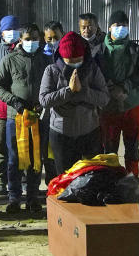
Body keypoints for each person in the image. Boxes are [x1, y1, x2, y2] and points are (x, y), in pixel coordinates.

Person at [0, 23, 51, 214]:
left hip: (38, 117)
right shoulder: (9, 60)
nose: (32, 42)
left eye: (35, 39)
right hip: (15, 118)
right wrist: (14, 102)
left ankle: (33, 197)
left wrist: (42, 103)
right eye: (28, 39)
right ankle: (14, 198)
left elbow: (52, 84)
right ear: (20, 40)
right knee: (15, 159)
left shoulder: (46, 60)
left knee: (36, 158)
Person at [39, 32, 110, 174]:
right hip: (61, 133)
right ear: (61, 56)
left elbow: (104, 98)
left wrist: (84, 92)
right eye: (69, 60)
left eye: (78, 59)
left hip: (89, 131)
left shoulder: (92, 69)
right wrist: (69, 91)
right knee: (65, 177)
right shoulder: (51, 71)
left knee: (91, 176)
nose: (75, 64)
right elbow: (44, 100)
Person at [99, 10, 139, 178]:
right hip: (108, 106)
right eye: (117, 25)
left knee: (132, 146)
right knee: (109, 148)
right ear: (110, 27)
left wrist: (124, 88)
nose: (120, 28)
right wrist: (112, 89)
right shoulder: (100, 51)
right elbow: (98, 74)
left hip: (131, 104)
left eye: (124, 25)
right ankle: (111, 182)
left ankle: (131, 182)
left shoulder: (136, 50)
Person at [0, 15, 21, 198]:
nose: (12, 33)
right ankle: (0, 181)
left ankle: (21, 180)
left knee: (21, 146)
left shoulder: (24, 50)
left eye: (15, 29)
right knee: (0, 144)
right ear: (1, 32)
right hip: (1, 108)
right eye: (8, 30)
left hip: (20, 108)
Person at [41, 21, 65, 183]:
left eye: (56, 37)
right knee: (46, 150)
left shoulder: (68, 54)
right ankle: (51, 182)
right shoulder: (41, 57)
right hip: (46, 111)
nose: (52, 41)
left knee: (62, 152)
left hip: (63, 110)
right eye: (49, 38)